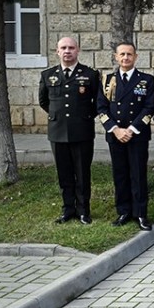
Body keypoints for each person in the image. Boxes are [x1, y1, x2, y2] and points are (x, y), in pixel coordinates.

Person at [39, 37, 100, 225]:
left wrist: (82, 117)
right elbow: (44, 101)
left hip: (82, 131)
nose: (67, 51)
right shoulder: (47, 75)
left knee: (82, 173)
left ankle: (83, 211)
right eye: (63, 48)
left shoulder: (90, 74)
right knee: (64, 173)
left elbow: (98, 103)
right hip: (57, 132)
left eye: (71, 48)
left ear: (78, 50)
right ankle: (68, 209)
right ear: (57, 51)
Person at [97, 42, 154, 231]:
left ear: (135, 57)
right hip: (115, 135)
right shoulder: (107, 80)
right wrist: (116, 130)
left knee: (138, 174)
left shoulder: (146, 80)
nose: (125, 58)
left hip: (136, 136)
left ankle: (140, 214)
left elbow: (149, 107)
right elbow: (101, 107)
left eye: (129, 54)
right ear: (116, 57)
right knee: (120, 174)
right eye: (122, 54)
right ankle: (123, 211)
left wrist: (131, 130)